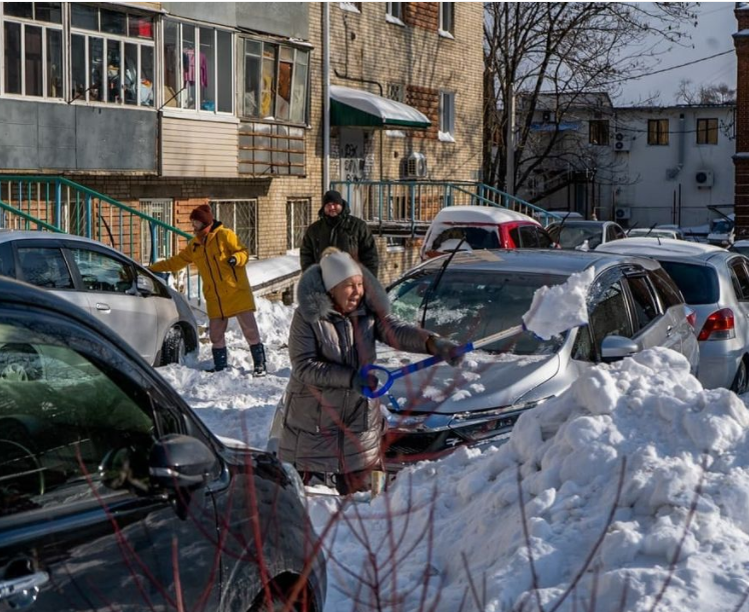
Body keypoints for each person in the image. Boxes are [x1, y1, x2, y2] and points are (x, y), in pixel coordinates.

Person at [277, 247, 462, 494]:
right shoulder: (308, 317)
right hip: (315, 423)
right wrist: (352, 378)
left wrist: (432, 342)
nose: (357, 292)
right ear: (332, 289)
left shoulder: (367, 312)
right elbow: (304, 366)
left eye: (360, 284)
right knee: (314, 505)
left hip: (358, 420)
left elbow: (395, 330)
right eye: (349, 286)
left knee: (364, 503)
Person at [149, 204, 266, 375]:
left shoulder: (225, 235)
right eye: (192, 222)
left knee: (249, 330)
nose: (193, 226)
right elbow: (178, 261)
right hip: (215, 296)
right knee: (216, 335)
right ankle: (220, 367)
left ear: (205, 222)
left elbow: (244, 252)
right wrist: (153, 268)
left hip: (235, 291)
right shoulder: (195, 245)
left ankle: (260, 365)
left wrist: (236, 259)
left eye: (195, 222)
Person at [300, 189, 379, 278]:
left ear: (341, 205)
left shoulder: (358, 227)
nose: (332, 208)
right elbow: (306, 256)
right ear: (324, 207)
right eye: (328, 205)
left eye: (334, 204)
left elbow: (370, 256)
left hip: (351, 280)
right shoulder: (314, 230)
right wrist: (311, 278)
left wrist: (368, 281)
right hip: (324, 281)